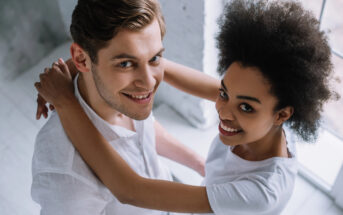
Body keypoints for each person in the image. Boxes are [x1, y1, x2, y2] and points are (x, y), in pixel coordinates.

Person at [35, 0, 337, 214]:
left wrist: (66, 98)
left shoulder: (260, 193)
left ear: (282, 115)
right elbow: (159, 69)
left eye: (246, 107)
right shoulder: (66, 180)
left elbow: (129, 190)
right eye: (223, 93)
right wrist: (78, 68)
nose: (223, 110)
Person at [31, 0, 205, 214]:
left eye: (154, 58)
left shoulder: (127, 97)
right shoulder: (68, 177)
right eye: (125, 64)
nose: (149, 82)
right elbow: (129, 190)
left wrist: (200, 165)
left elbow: (144, 133)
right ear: (81, 59)